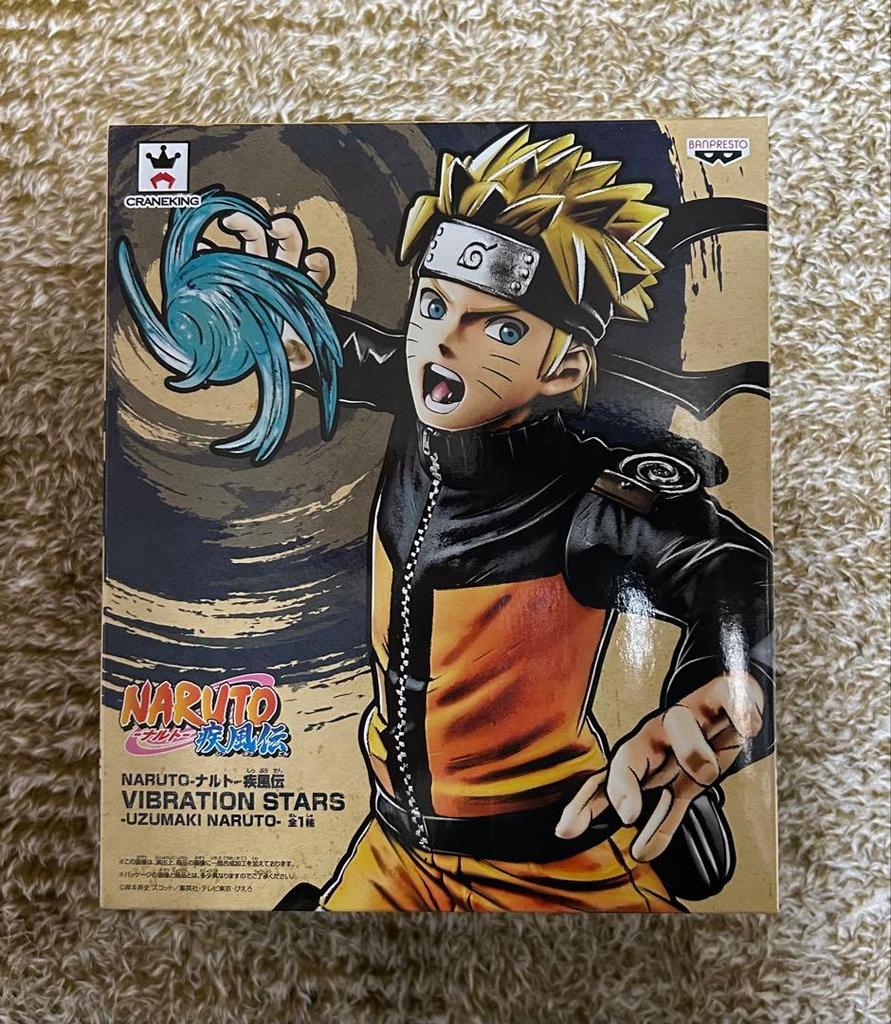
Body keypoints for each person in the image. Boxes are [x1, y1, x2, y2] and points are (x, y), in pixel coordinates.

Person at [119, 126, 773, 912]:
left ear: (563, 366)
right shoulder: (424, 412)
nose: (444, 343)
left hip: (557, 870)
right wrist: (276, 316)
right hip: (392, 856)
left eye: (500, 328)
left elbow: (733, 572)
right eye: (433, 305)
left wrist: (719, 686)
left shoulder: (589, 499)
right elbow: (360, 354)